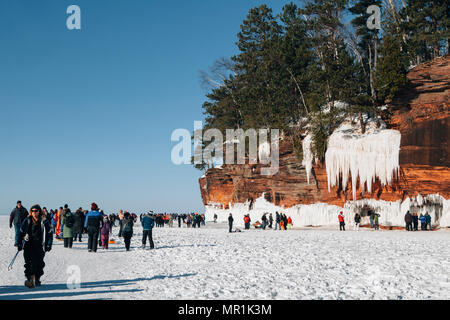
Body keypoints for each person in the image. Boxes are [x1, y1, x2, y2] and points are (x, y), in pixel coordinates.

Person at [17, 205, 52, 289]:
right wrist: (19, 243)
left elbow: (49, 234)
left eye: (36, 211)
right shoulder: (27, 220)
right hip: (28, 245)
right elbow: (20, 232)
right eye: (32, 211)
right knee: (29, 263)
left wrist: (48, 245)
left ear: (39, 211)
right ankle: (30, 280)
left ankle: (37, 279)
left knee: (39, 263)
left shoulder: (44, 221)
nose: (34, 212)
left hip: (40, 246)